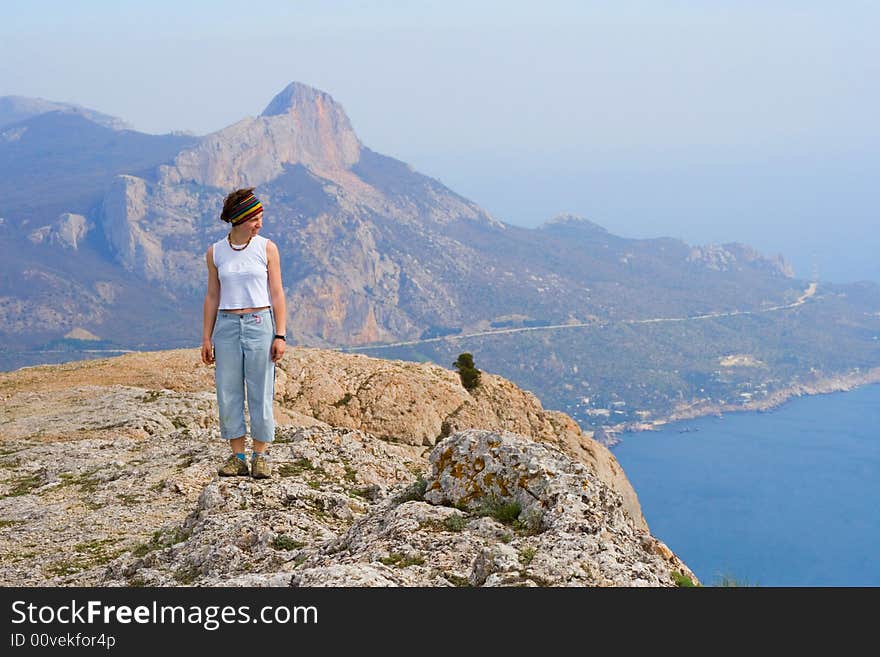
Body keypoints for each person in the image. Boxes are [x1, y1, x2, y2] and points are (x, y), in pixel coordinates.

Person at [200, 188, 287, 479]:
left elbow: (277, 293)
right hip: (226, 325)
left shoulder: (266, 248)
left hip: (260, 322)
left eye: (260, 217)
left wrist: (281, 334)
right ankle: (237, 456)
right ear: (239, 219)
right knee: (228, 390)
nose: (259, 223)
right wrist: (206, 337)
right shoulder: (215, 252)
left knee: (261, 390)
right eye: (254, 218)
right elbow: (212, 295)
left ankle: (260, 456)